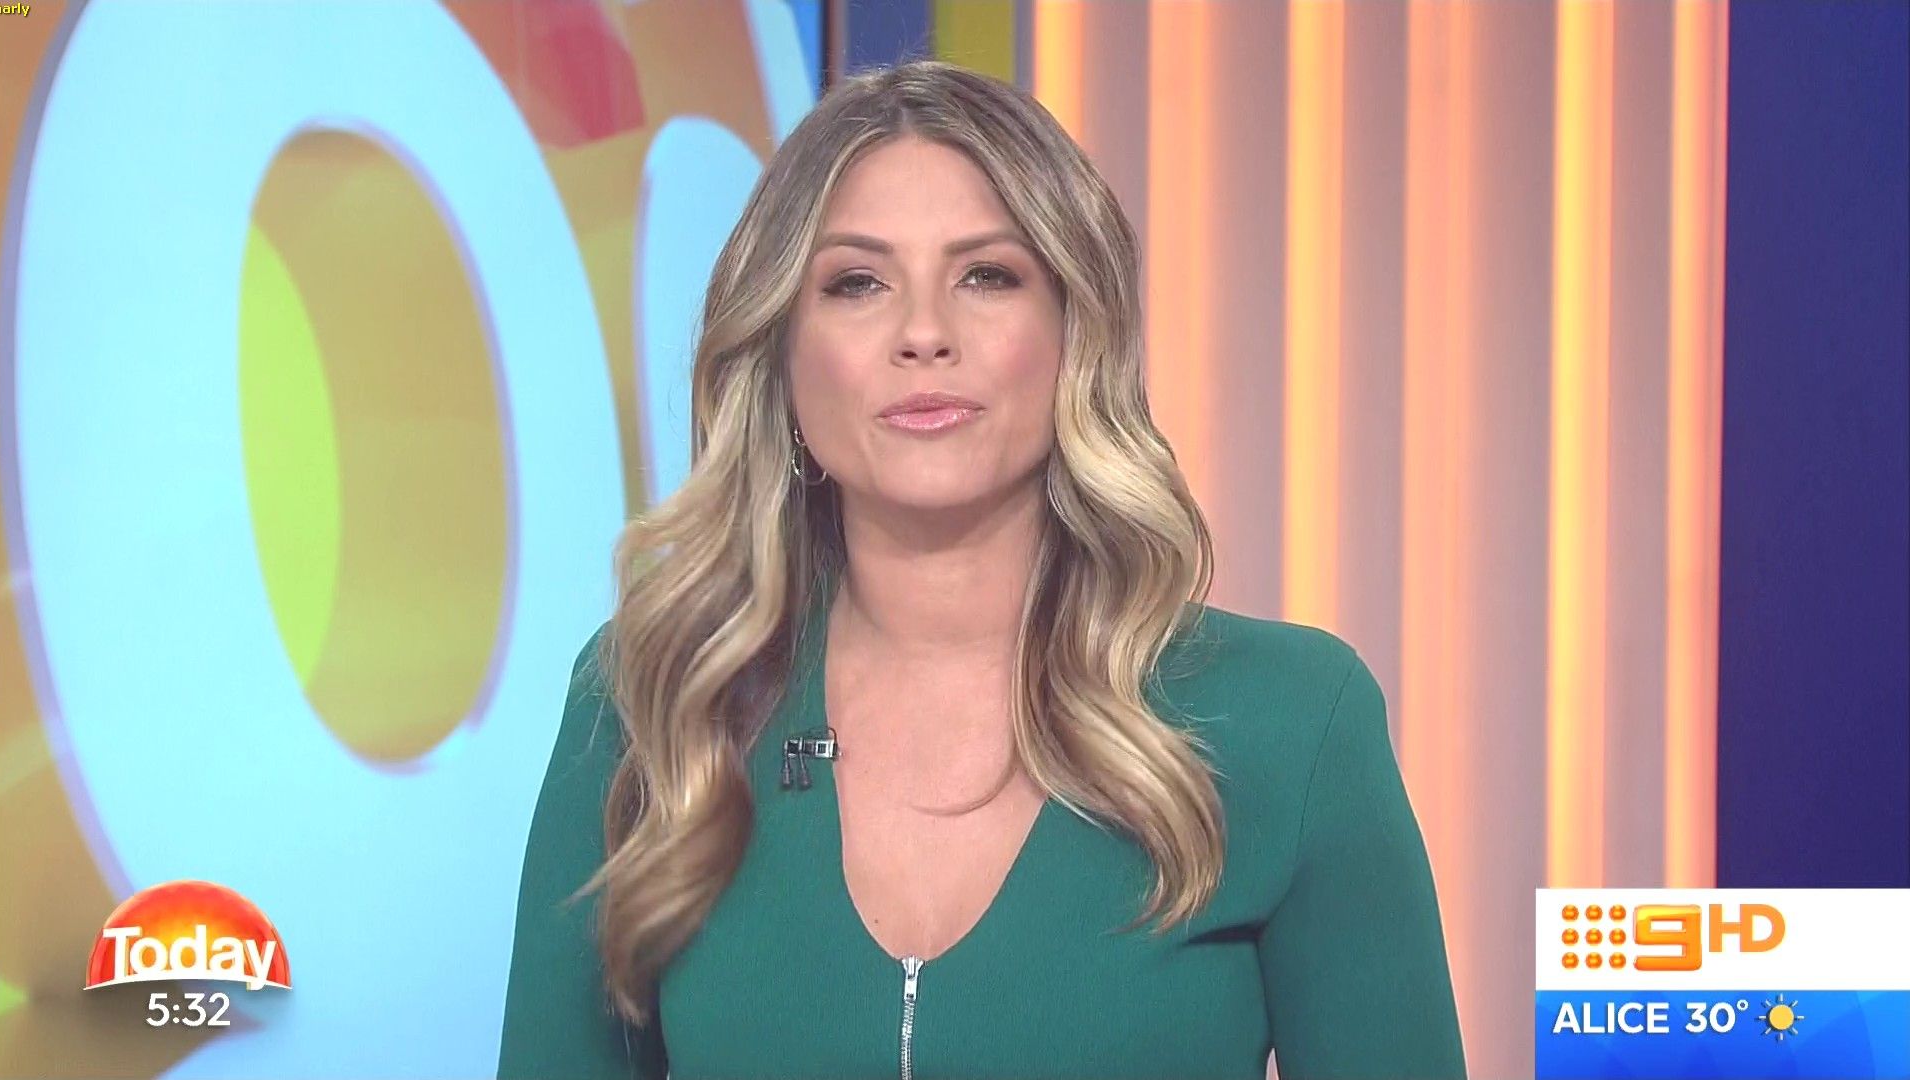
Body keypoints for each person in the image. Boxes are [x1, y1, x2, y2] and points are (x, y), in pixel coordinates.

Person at [497, 59, 1465, 1080]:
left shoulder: (1291, 723)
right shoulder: (655, 700)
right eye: (858, 283)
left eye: (986, 276)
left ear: (1075, 332)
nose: (924, 335)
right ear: (781, 355)